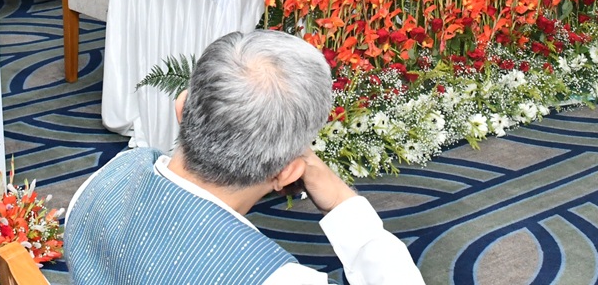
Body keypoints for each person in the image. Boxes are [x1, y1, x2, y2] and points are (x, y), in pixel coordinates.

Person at [63, 30, 424, 285]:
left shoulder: (106, 179)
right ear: (287, 173)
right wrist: (345, 206)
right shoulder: (278, 278)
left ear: (182, 107)